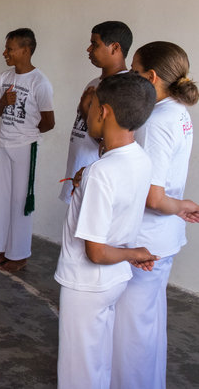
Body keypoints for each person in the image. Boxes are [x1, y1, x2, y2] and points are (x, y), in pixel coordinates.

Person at [54, 72, 159, 388]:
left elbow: (95, 251)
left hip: (85, 284)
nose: (86, 110)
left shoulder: (101, 172)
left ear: (104, 111)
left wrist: (133, 253)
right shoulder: (139, 158)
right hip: (113, 282)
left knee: (78, 371)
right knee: (97, 361)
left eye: (91, 104)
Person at [111, 42, 199, 389]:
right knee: (148, 323)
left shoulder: (156, 120)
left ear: (151, 77)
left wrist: (182, 205)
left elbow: (153, 196)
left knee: (132, 333)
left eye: (134, 72)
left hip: (146, 240)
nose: (130, 77)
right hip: (163, 237)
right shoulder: (179, 111)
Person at [0, 28, 55, 272]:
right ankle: (4, 249)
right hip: (3, 143)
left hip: (26, 147)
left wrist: (27, 133)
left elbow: (49, 122)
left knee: (20, 201)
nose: (5, 52)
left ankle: (20, 254)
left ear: (25, 50)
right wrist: (4, 102)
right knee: (2, 198)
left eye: (10, 48)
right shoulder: (4, 76)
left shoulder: (40, 82)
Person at [59, 21, 132, 202]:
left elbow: (116, 143)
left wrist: (86, 112)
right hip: (79, 171)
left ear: (115, 47)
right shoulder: (94, 83)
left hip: (98, 179)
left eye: (95, 44)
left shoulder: (124, 88)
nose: (88, 49)